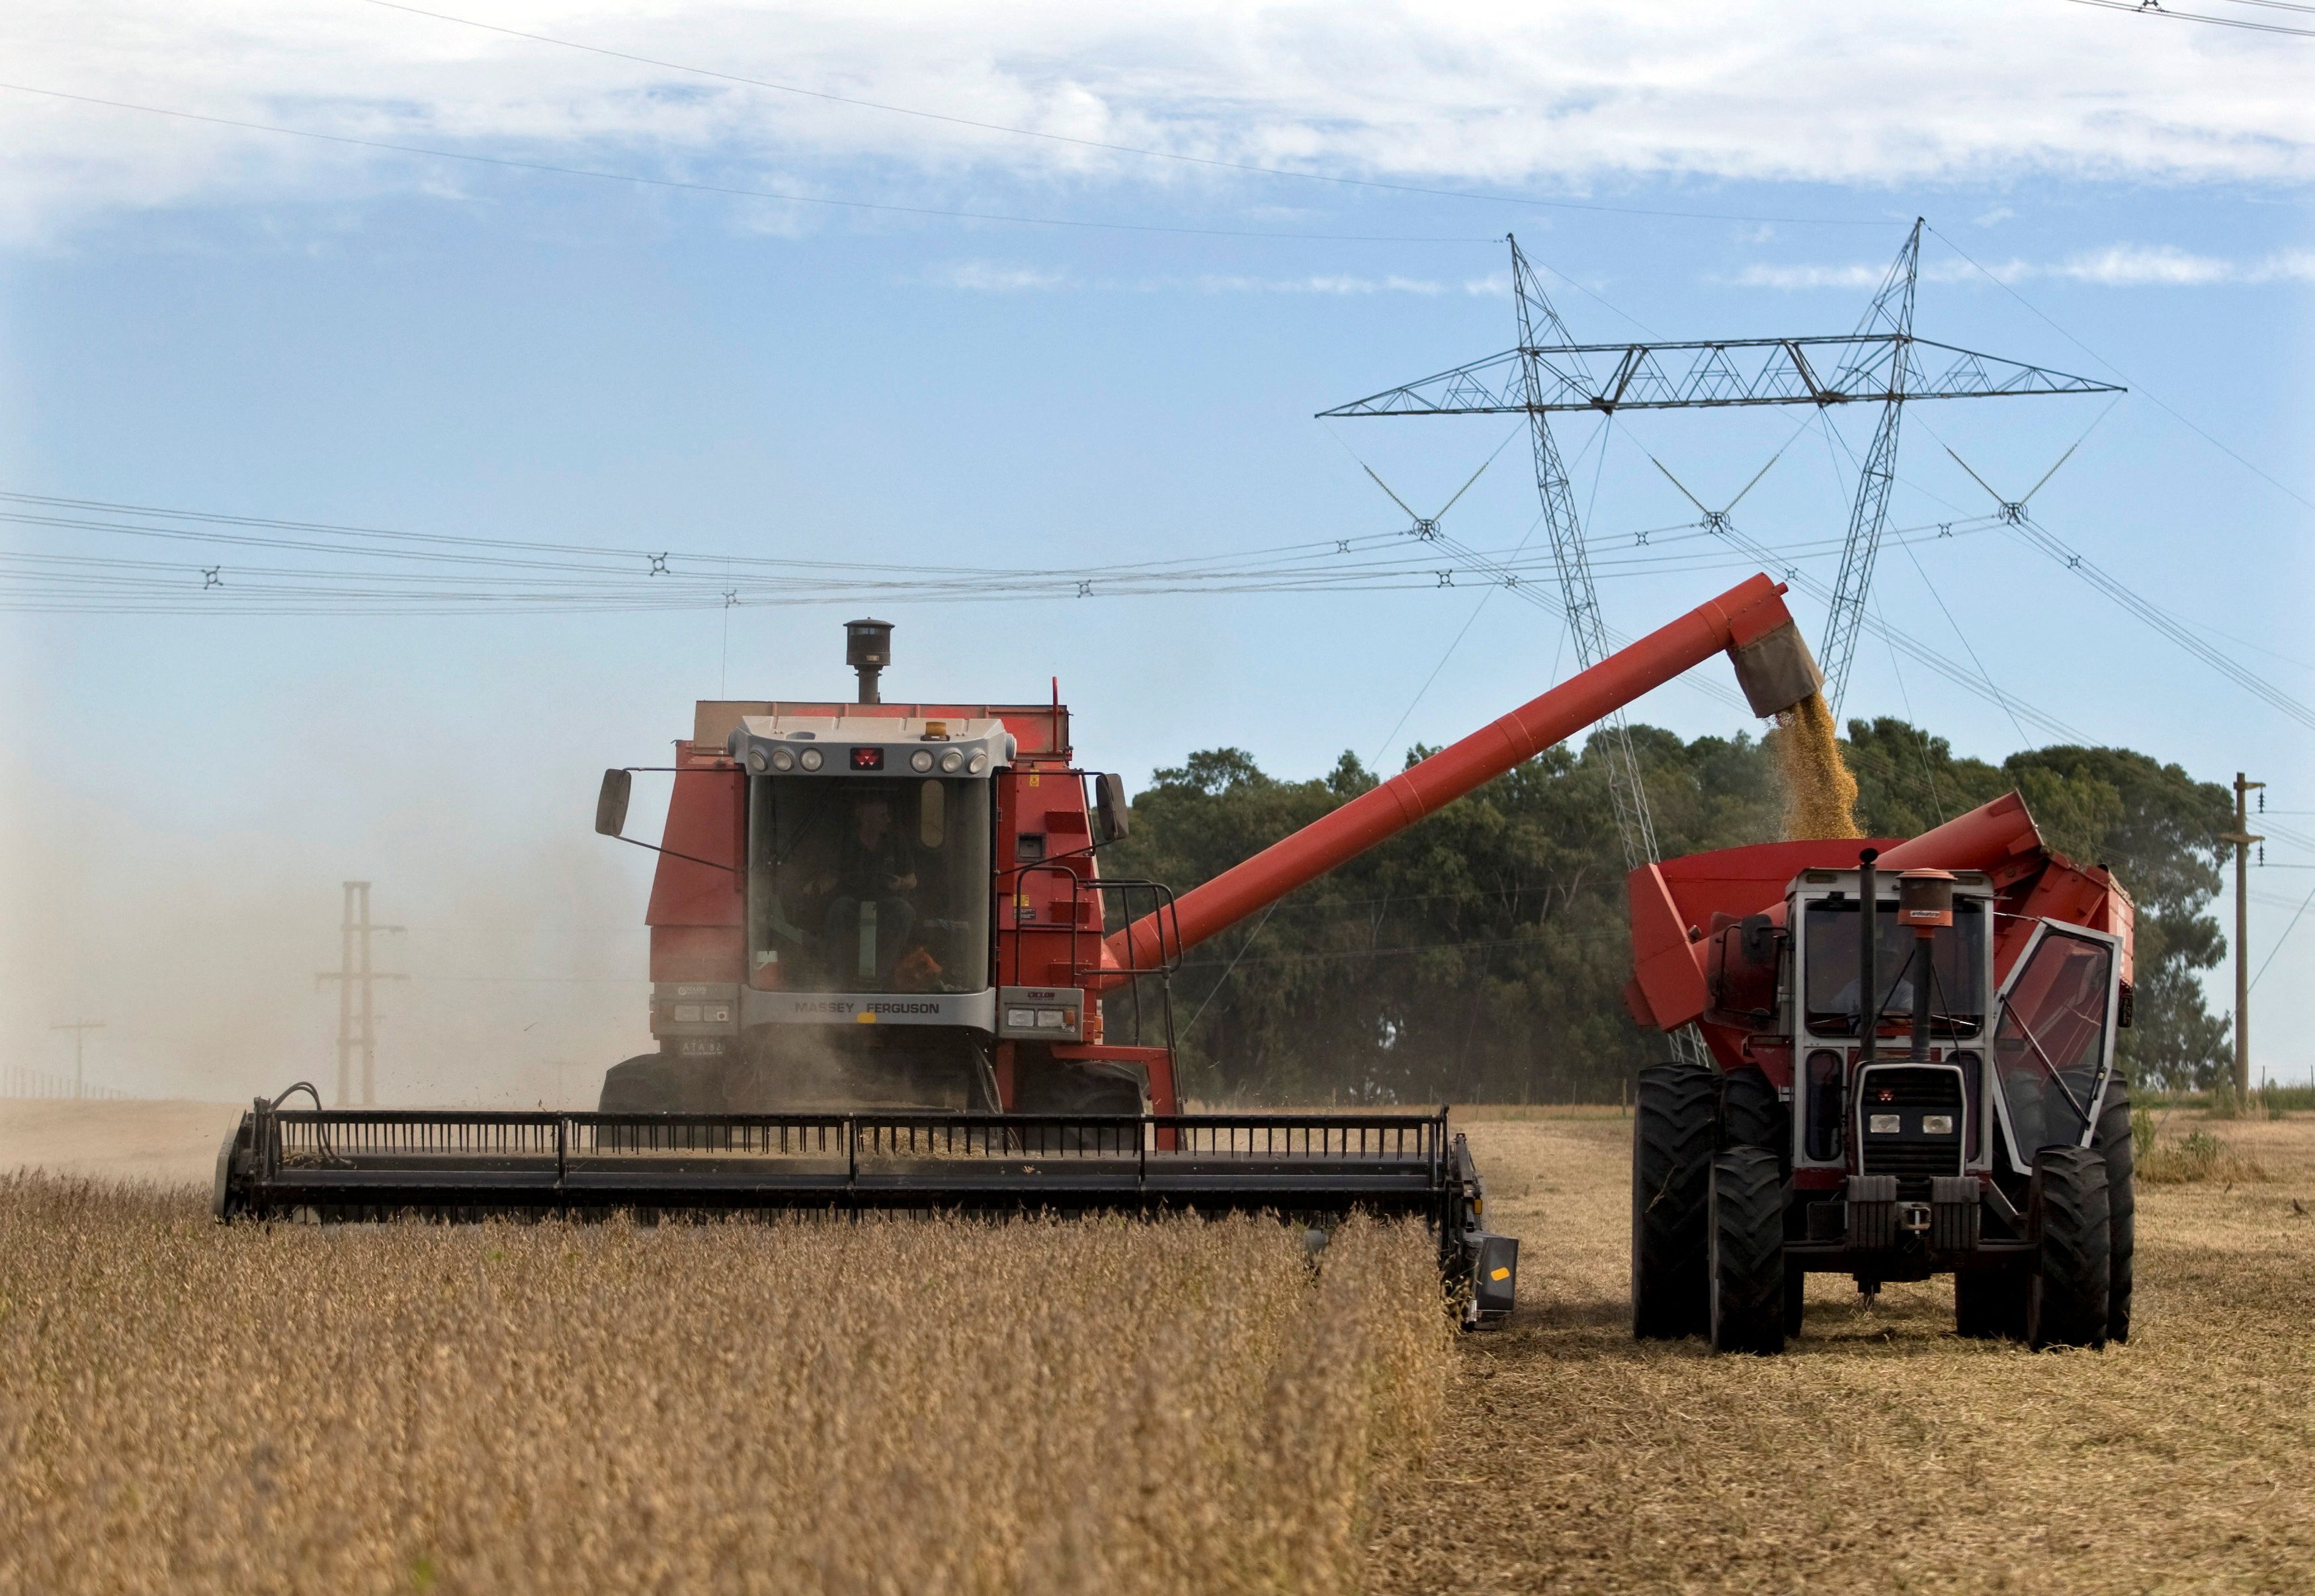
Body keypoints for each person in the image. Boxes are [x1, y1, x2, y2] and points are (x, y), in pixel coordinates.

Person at [823, 795, 917, 980]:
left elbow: (913, 879)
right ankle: (839, 975)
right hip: (851, 901)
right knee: (838, 909)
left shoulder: (896, 842)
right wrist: (816, 887)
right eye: (883, 815)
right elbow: (832, 875)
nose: (888, 820)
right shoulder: (846, 842)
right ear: (865, 817)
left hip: (887, 902)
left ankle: (882, 974)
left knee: (905, 911)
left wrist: (901, 883)